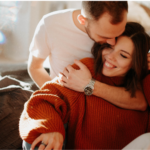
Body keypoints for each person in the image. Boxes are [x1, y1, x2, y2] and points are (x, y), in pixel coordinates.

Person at [20, 22, 150, 150]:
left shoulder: (143, 84)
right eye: (110, 47)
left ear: (136, 62)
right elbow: (43, 99)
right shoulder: (85, 70)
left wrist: (89, 85)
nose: (110, 57)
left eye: (123, 55)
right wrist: (51, 128)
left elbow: (142, 103)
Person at [28, 1, 148, 111]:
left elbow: (139, 99)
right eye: (104, 36)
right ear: (82, 20)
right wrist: (56, 97)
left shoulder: (124, 23)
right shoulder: (51, 24)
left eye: (118, 34)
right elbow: (35, 67)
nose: (112, 42)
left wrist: (89, 85)